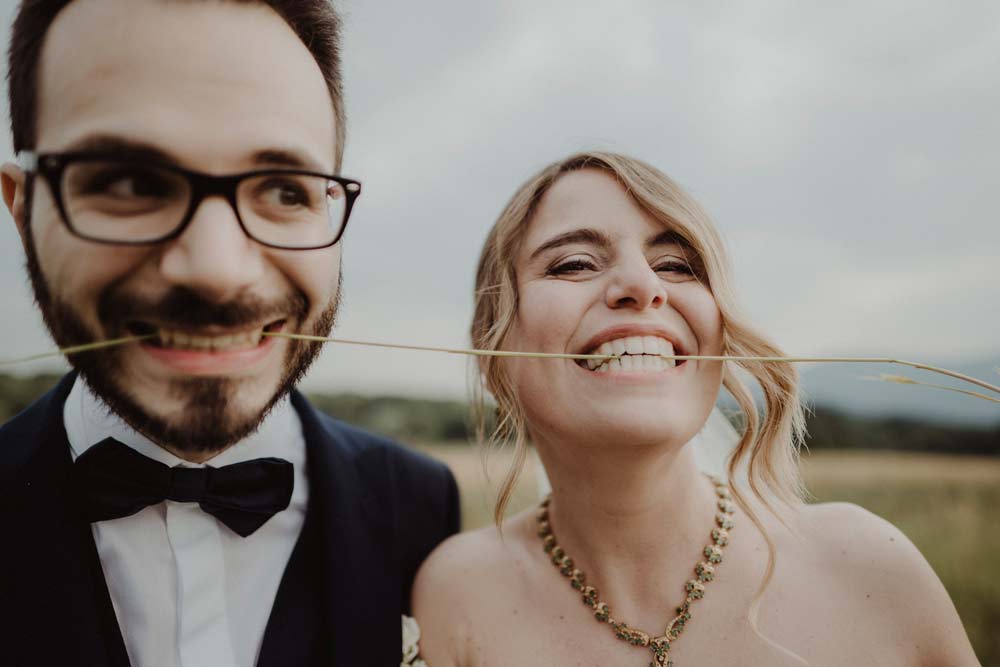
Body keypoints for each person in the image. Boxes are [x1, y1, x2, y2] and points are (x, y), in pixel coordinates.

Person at [0, 1, 459, 666]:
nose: (216, 271)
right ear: (23, 208)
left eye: (283, 189)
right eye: (131, 182)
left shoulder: (421, 506)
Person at [411, 152, 979, 666]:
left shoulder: (867, 566)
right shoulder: (456, 594)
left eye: (679, 265)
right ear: (492, 351)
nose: (642, 285)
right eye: (575, 263)